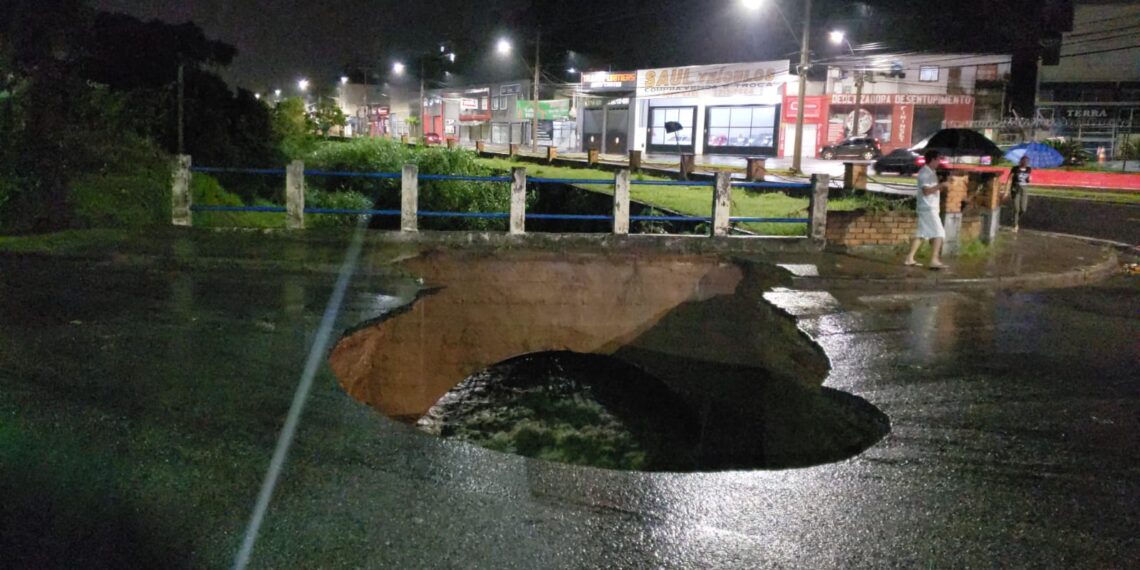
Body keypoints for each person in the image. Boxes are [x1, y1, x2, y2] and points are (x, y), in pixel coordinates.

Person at [903, 149, 949, 269]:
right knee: (939, 233)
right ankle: (934, 259)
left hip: (929, 206)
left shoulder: (931, 172)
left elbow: (932, 189)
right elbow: (926, 191)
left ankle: (909, 258)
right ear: (933, 159)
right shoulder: (925, 173)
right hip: (928, 207)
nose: (939, 161)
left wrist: (941, 186)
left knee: (921, 234)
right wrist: (941, 185)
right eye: (938, 159)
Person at [1005, 156, 1031, 232]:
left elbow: (1027, 180)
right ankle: (1015, 225)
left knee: (1023, 209)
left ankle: (1016, 218)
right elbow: (1009, 179)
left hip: (1024, 190)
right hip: (1015, 189)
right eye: (1024, 161)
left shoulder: (1029, 169)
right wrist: (1006, 191)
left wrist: (1029, 179)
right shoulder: (1015, 169)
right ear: (1021, 161)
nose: (1026, 162)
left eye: (1027, 161)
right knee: (1016, 208)